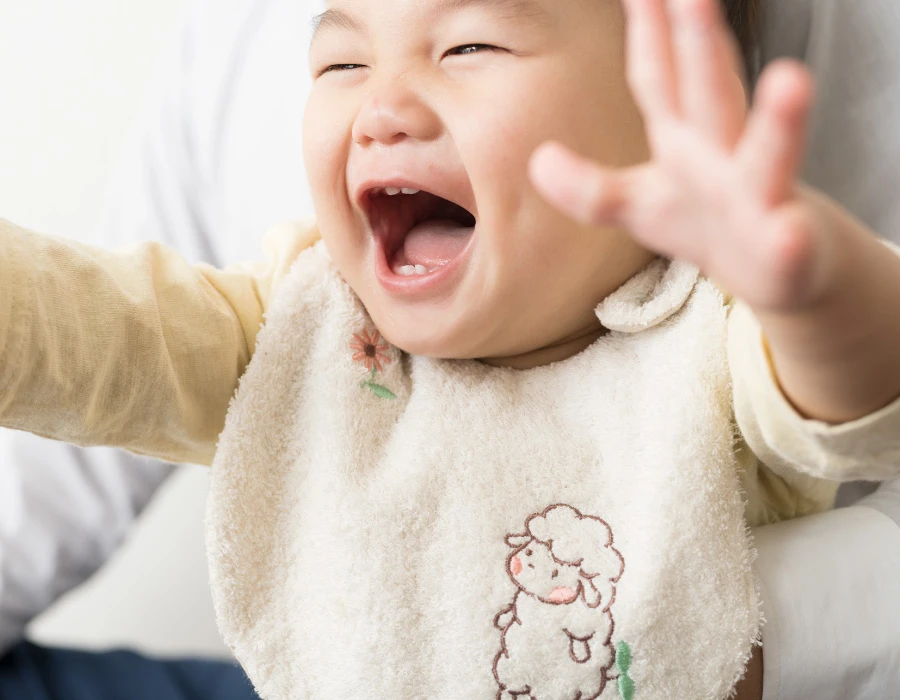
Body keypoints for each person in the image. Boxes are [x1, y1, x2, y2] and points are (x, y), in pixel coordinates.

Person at [1, 1, 899, 700]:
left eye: (470, 47)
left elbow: (840, 409)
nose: (382, 107)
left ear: (673, 112)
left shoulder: (705, 345)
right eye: (342, 60)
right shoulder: (310, 326)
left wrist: (812, 288)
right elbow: (108, 338)